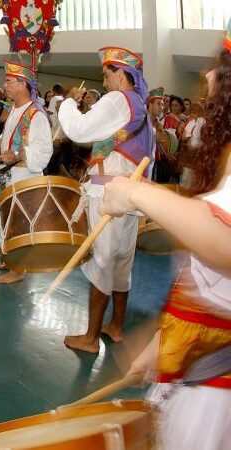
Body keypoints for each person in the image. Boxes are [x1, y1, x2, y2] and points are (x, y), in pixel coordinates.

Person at [103, 36, 231, 449]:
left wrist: (135, 193)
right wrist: (164, 343)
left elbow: (225, 245)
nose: (209, 75)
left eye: (222, 68)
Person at [57, 46, 155, 353]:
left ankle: (90, 338)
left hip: (109, 193)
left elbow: (79, 130)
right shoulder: (140, 104)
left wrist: (68, 102)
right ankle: (115, 327)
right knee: (122, 259)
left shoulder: (117, 100)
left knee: (101, 261)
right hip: (130, 194)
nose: (103, 81)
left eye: (106, 74)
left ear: (122, 74)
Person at [0, 61, 53, 284]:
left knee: (19, 222)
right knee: (6, 218)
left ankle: (18, 270)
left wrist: (18, 154)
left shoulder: (36, 114)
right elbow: (8, 136)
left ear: (23, 85)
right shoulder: (14, 109)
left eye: (10, 81)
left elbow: (43, 151)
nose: (5, 85)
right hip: (10, 175)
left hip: (24, 175)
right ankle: (7, 258)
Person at [147, 88, 179, 183]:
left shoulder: (159, 125)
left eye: (162, 104)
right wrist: (153, 138)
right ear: (149, 104)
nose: (161, 107)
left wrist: (167, 150)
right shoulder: (142, 121)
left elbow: (159, 147)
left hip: (152, 165)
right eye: (158, 104)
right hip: (138, 164)